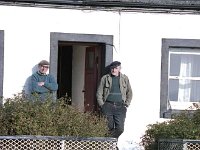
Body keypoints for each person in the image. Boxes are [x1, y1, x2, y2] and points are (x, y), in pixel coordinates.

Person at [96, 61, 132, 139]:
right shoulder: (105, 78)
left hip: (120, 106)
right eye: (112, 68)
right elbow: (99, 92)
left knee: (120, 129)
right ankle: (111, 145)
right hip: (108, 105)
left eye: (116, 68)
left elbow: (130, 92)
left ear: (119, 69)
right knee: (109, 127)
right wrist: (102, 105)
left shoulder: (125, 78)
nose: (114, 70)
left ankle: (110, 142)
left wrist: (126, 104)